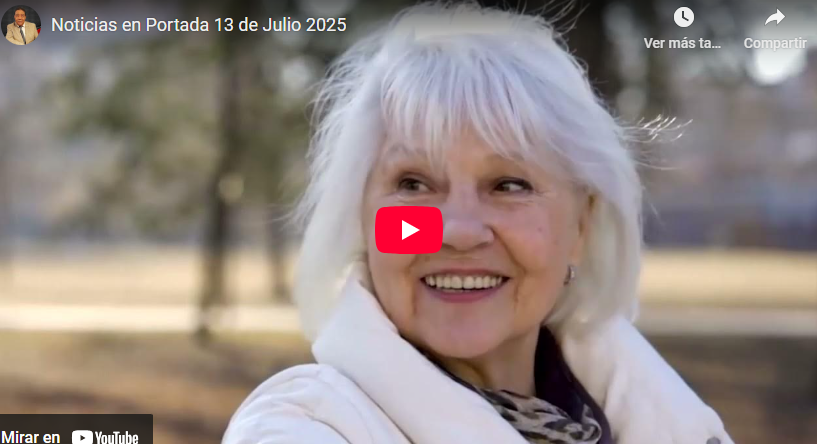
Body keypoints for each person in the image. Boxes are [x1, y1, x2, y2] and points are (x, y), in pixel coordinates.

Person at [223, 3, 734, 444]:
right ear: (362, 219)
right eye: (414, 184)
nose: (459, 231)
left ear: (582, 226)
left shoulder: (665, 420)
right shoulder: (308, 424)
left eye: (508, 185)